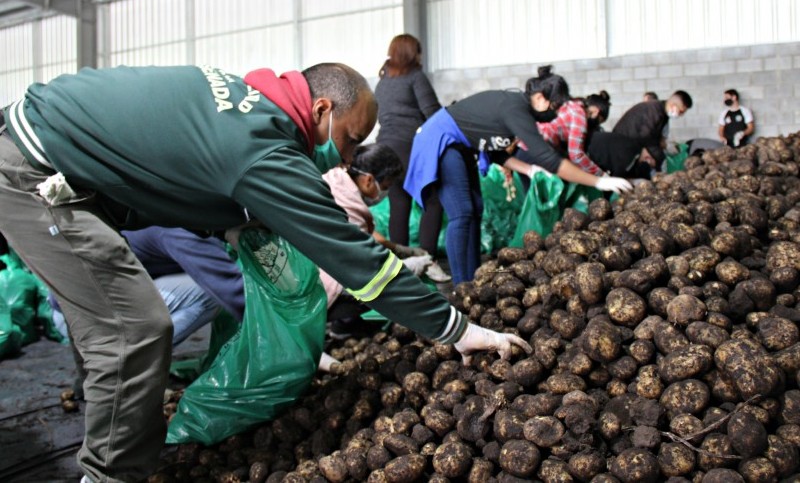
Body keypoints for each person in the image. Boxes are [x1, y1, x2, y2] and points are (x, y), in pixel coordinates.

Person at [0, 63, 528, 483]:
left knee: (117, 317)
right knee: (135, 327)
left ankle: (107, 411)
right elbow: (356, 259)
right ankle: (109, 475)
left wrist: (231, 224)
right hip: (35, 169)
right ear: (321, 110)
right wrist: (458, 329)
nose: (347, 158)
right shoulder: (263, 147)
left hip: (56, 156)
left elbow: (188, 178)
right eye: (349, 139)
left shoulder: (250, 104)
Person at [404, 65, 633, 285]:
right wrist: (599, 180)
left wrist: (530, 169)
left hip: (462, 146)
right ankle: (461, 285)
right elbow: (549, 158)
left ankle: (472, 280)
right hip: (441, 141)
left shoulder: (517, 109)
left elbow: (496, 154)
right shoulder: (515, 108)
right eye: (554, 107)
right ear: (542, 99)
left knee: (475, 207)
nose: (554, 115)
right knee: (462, 212)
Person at [50, 227, 245, 347]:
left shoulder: (167, 204)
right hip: (86, 320)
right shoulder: (182, 229)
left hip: (74, 307)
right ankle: (133, 360)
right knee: (208, 292)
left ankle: (112, 363)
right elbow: (235, 293)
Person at [374, 34, 450, 283]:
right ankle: (427, 260)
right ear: (411, 53)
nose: (420, 57)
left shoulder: (383, 81)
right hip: (410, 146)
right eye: (418, 52)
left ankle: (402, 266)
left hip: (385, 147)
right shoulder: (415, 77)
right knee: (433, 200)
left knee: (400, 203)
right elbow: (433, 113)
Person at [319, 143, 433, 308]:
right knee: (382, 287)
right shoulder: (347, 207)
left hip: (311, 266)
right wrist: (409, 266)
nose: (384, 193)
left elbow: (365, 236)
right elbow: (366, 268)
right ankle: (343, 322)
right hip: (324, 281)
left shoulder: (337, 179)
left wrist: (400, 249)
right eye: (385, 187)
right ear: (368, 180)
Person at [612, 89, 693, 170]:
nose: (681, 115)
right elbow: (646, 137)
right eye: (681, 112)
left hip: (631, 146)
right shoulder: (654, 111)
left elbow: (657, 139)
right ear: (673, 106)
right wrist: (659, 158)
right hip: (622, 149)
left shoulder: (662, 113)